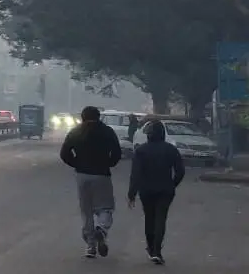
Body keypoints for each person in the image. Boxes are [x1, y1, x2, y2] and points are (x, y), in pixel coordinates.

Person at [60, 106, 123, 258]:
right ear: (99, 116)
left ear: (82, 117)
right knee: (105, 208)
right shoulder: (107, 132)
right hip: (102, 175)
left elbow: (64, 154)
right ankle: (101, 230)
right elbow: (117, 153)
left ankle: (90, 246)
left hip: (82, 175)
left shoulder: (76, 132)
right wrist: (108, 163)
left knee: (86, 211)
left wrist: (77, 164)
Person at [127, 119, 185, 264]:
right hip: (166, 189)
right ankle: (157, 250)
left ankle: (151, 247)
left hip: (146, 190)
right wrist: (173, 184)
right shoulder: (171, 149)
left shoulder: (141, 151)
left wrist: (131, 194)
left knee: (149, 217)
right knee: (161, 218)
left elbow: (136, 174)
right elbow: (180, 171)